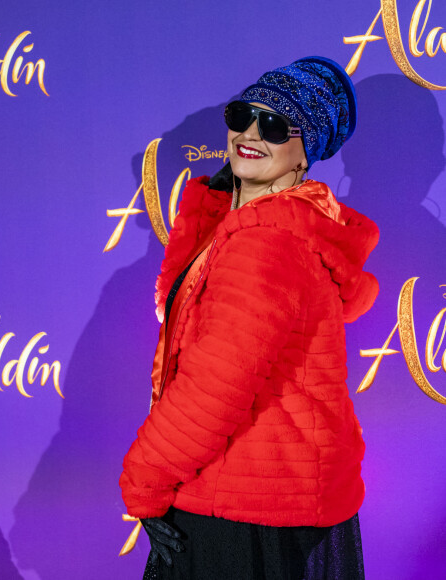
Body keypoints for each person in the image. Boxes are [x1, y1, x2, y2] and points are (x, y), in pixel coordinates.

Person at [120, 57, 379, 580]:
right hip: (270, 501)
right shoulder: (259, 231)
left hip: (241, 511)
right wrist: (213, 208)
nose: (251, 133)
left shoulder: (266, 245)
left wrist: (143, 481)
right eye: (242, 114)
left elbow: (212, 391)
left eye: (277, 125)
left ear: (307, 151)